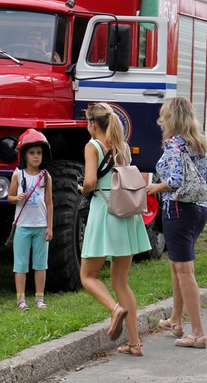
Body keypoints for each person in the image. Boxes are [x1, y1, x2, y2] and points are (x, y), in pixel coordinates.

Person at [77, 102, 150, 357]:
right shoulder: (124, 147)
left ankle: (113, 308)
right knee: (121, 281)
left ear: (93, 124)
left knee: (88, 276)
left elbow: (89, 181)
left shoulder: (92, 146)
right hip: (125, 212)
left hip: (104, 211)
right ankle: (135, 342)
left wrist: (82, 190)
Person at [147, 97, 207, 349]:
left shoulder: (174, 145)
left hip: (178, 209)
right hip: (199, 209)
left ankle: (197, 332)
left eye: (163, 116)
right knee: (177, 265)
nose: (160, 121)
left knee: (185, 270)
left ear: (170, 118)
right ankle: (176, 319)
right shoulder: (200, 144)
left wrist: (155, 187)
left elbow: (174, 182)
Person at [7, 129, 53, 311]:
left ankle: (39, 298)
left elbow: (49, 203)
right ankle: (21, 299)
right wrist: (16, 198)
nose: (36, 157)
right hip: (23, 226)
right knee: (20, 264)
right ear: (24, 155)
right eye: (32, 153)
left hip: (41, 225)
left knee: (41, 264)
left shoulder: (46, 176)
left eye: (39, 153)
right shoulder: (18, 174)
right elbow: (9, 197)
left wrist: (50, 226)